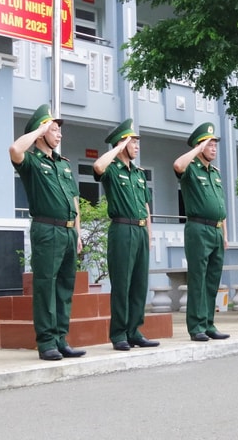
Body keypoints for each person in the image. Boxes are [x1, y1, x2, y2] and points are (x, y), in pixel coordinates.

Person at [9, 104, 86, 361]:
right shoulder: (30, 161)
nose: (59, 134)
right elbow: (14, 149)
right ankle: (46, 342)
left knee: (65, 288)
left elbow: (74, 200)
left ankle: (61, 339)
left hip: (67, 232)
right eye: (54, 130)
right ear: (41, 132)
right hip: (46, 229)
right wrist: (40, 129)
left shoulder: (63, 165)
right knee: (45, 287)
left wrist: (78, 233)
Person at [93, 119, 159, 351]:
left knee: (139, 284)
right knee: (122, 284)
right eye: (133, 142)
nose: (137, 147)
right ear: (122, 144)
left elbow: (146, 205)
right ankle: (119, 334)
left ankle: (134, 331)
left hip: (140, 230)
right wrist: (117, 149)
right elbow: (98, 168)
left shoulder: (139, 174)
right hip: (122, 230)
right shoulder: (111, 170)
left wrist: (149, 235)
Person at [173, 122, 231, 342]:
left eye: (215, 144)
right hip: (198, 228)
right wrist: (197, 150)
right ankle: (196, 326)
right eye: (210, 144)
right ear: (200, 146)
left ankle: (209, 324)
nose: (214, 148)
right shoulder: (190, 169)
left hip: (216, 230)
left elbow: (220, 205)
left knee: (212, 280)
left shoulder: (214, 173)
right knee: (198, 278)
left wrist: (224, 234)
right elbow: (177, 165)